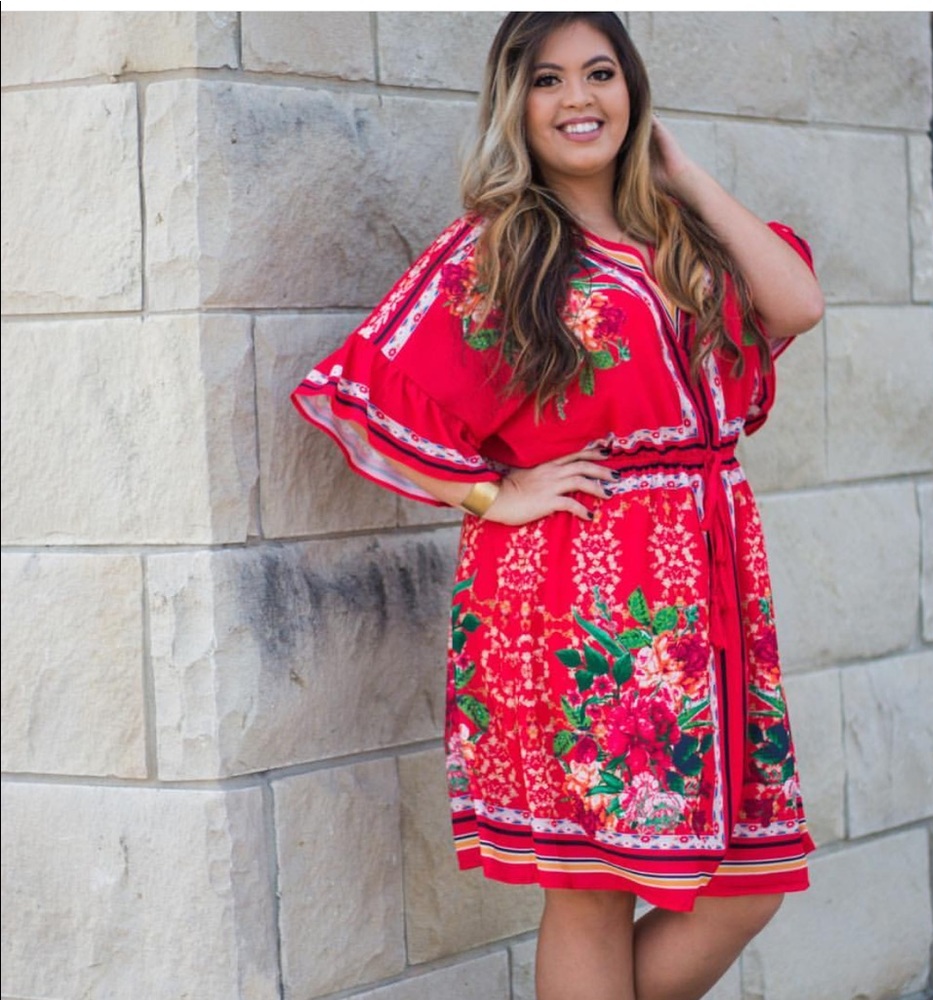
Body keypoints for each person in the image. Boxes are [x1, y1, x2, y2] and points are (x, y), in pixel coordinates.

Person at [292, 12, 824, 1000]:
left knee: (746, 877)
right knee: (591, 887)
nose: (576, 99)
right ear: (516, 104)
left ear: (634, 90)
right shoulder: (507, 248)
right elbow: (355, 393)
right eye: (546, 80)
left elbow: (795, 303)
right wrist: (496, 491)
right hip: (579, 587)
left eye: (599, 74)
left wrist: (683, 174)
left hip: (706, 588)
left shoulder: (684, 233)